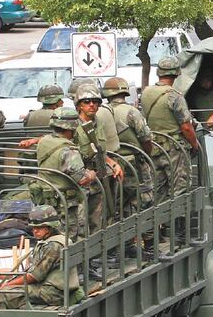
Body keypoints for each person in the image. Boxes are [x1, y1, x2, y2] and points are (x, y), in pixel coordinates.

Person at [0, 204, 82, 309]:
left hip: (53, 293)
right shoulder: (59, 240)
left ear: (50, 227)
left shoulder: (53, 245)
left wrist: (8, 284)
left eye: (39, 228)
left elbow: (34, 276)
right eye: (33, 228)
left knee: (6, 293)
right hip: (56, 289)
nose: (35, 231)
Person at [30, 107, 97, 241]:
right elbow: (82, 179)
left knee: (49, 235)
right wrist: (92, 174)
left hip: (45, 200)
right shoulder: (68, 150)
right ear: (71, 128)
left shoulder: (44, 141)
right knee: (68, 238)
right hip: (65, 203)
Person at [140, 56, 199, 199]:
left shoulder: (146, 92)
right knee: (180, 190)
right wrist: (194, 144)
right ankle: (178, 214)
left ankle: (159, 214)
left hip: (154, 147)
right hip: (174, 150)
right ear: (177, 74)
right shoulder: (174, 96)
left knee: (158, 190)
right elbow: (186, 127)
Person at [73, 85, 124, 232]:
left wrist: (113, 164)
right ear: (79, 105)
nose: (91, 105)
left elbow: (100, 151)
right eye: (86, 101)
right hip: (80, 180)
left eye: (95, 101)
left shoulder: (98, 123)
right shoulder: (73, 125)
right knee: (81, 224)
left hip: (97, 178)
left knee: (99, 221)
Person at [102, 76, 155, 210]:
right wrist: (148, 155)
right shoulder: (132, 112)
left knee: (117, 203)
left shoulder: (102, 112)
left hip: (112, 163)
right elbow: (145, 138)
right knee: (144, 198)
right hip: (135, 163)